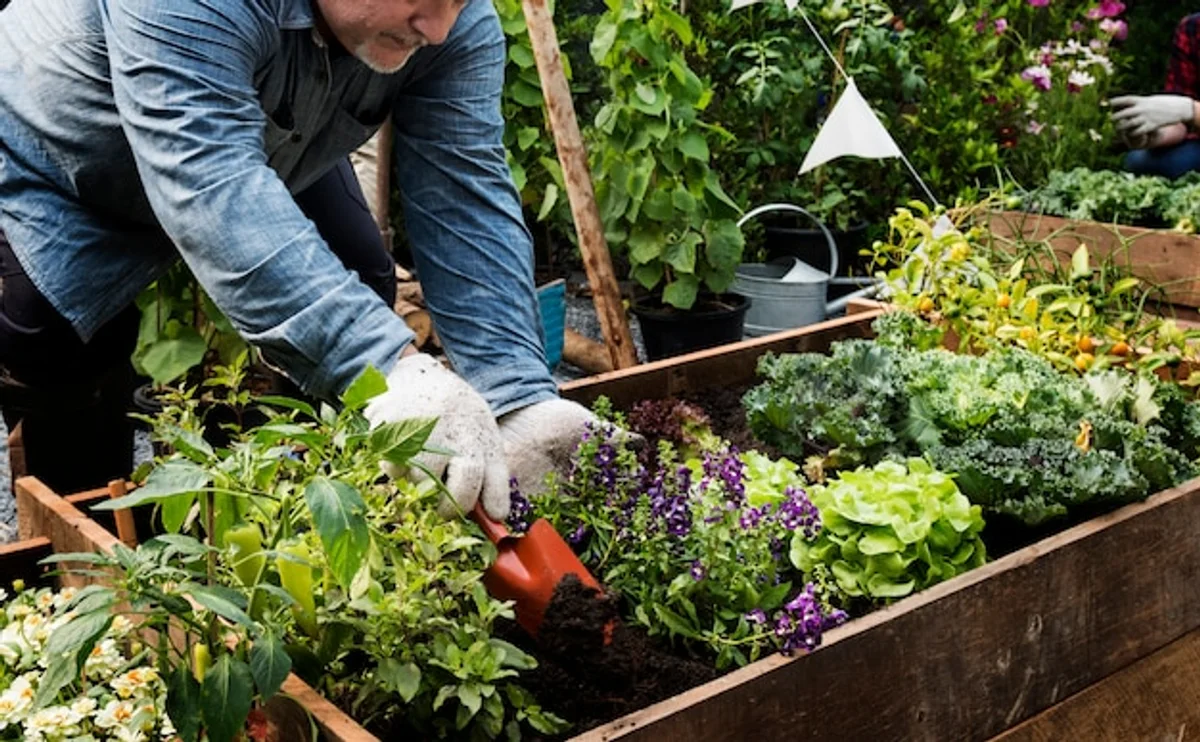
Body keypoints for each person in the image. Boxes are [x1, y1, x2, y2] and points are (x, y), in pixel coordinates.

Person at [0, 0, 601, 519]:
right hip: (58, 155)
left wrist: (516, 394)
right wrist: (384, 365)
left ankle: (323, 522)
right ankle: (78, 573)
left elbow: (463, 191)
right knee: (57, 351)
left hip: (258, 131)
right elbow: (208, 181)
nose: (439, 27)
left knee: (362, 277)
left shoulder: (450, 24)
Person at [1112, 13, 1200, 179]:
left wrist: (1191, 110)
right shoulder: (1193, 28)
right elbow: (1180, 110)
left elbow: (1186, 109)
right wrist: (1156, 134)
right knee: (1140, 160)